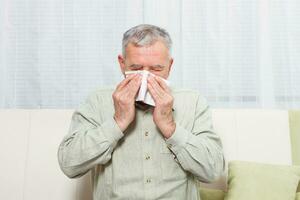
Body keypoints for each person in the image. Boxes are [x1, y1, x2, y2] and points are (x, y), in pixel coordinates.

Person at [57, 24, 225, 200]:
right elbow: (69, 164)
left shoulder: (193, 101)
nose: (146, 78)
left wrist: (170, 127)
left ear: (170, 65)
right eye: (136, 69)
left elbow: (212, 171)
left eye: (156, 69)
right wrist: (117, 122)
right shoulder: (97, 101)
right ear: (122, 64)